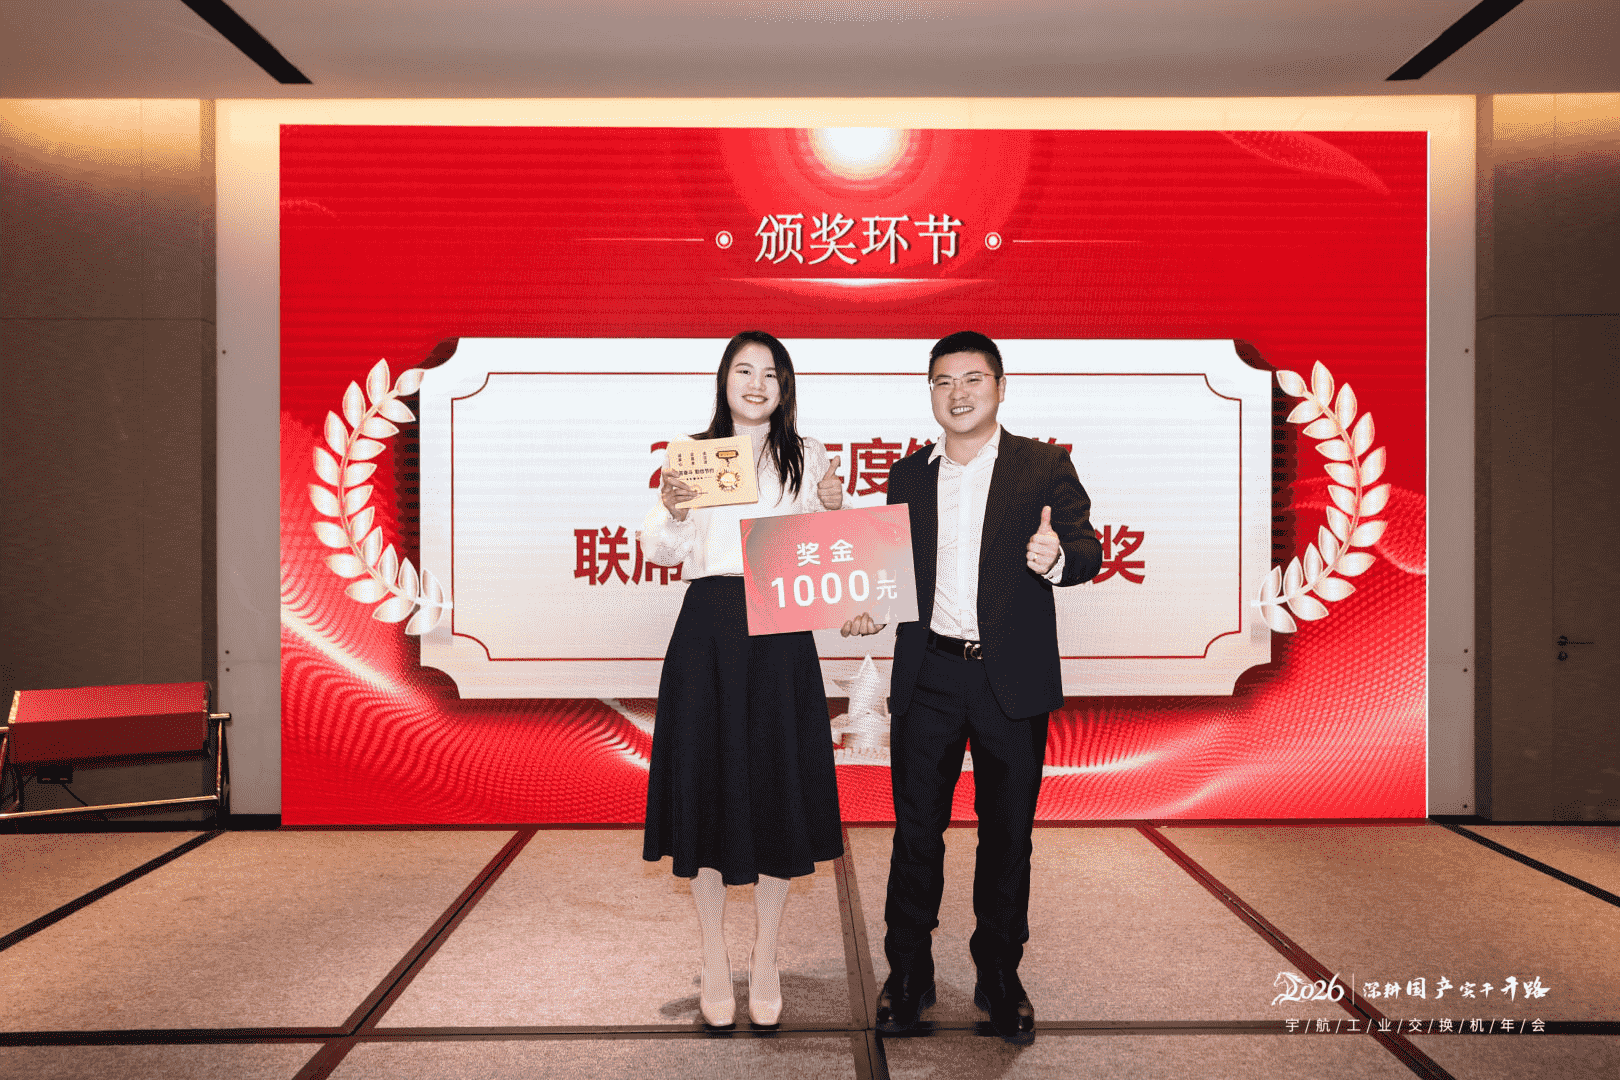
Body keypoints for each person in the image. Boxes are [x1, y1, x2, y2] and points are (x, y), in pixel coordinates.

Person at [842, 330, 1101, 1042]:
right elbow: (891, 575)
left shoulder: (1043, 465)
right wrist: (868, 609)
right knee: (915, 832)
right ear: (930, 392)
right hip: (928, 673)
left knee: (1007, 834)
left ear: (1000, 386)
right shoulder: (908, 475)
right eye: (942, 382)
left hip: (1009, 679)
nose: (957, 394)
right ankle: (908, 973)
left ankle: (999, 974)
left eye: (972, 379)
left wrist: (1057, 557)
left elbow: (1087, 548)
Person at [641, 330, 847, 1030]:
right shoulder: (696, 454)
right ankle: (712, 955)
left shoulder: (808, 454)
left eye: (771, 373)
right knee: (706, 788)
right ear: (724, 381)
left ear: (785, 388)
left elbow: (825, 552)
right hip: (710, 628)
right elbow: (661, 549)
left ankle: (765, 958)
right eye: (744, 370)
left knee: (775, 789)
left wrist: (832, 505)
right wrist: (672, 507)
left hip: (781, 631)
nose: (757, 384)